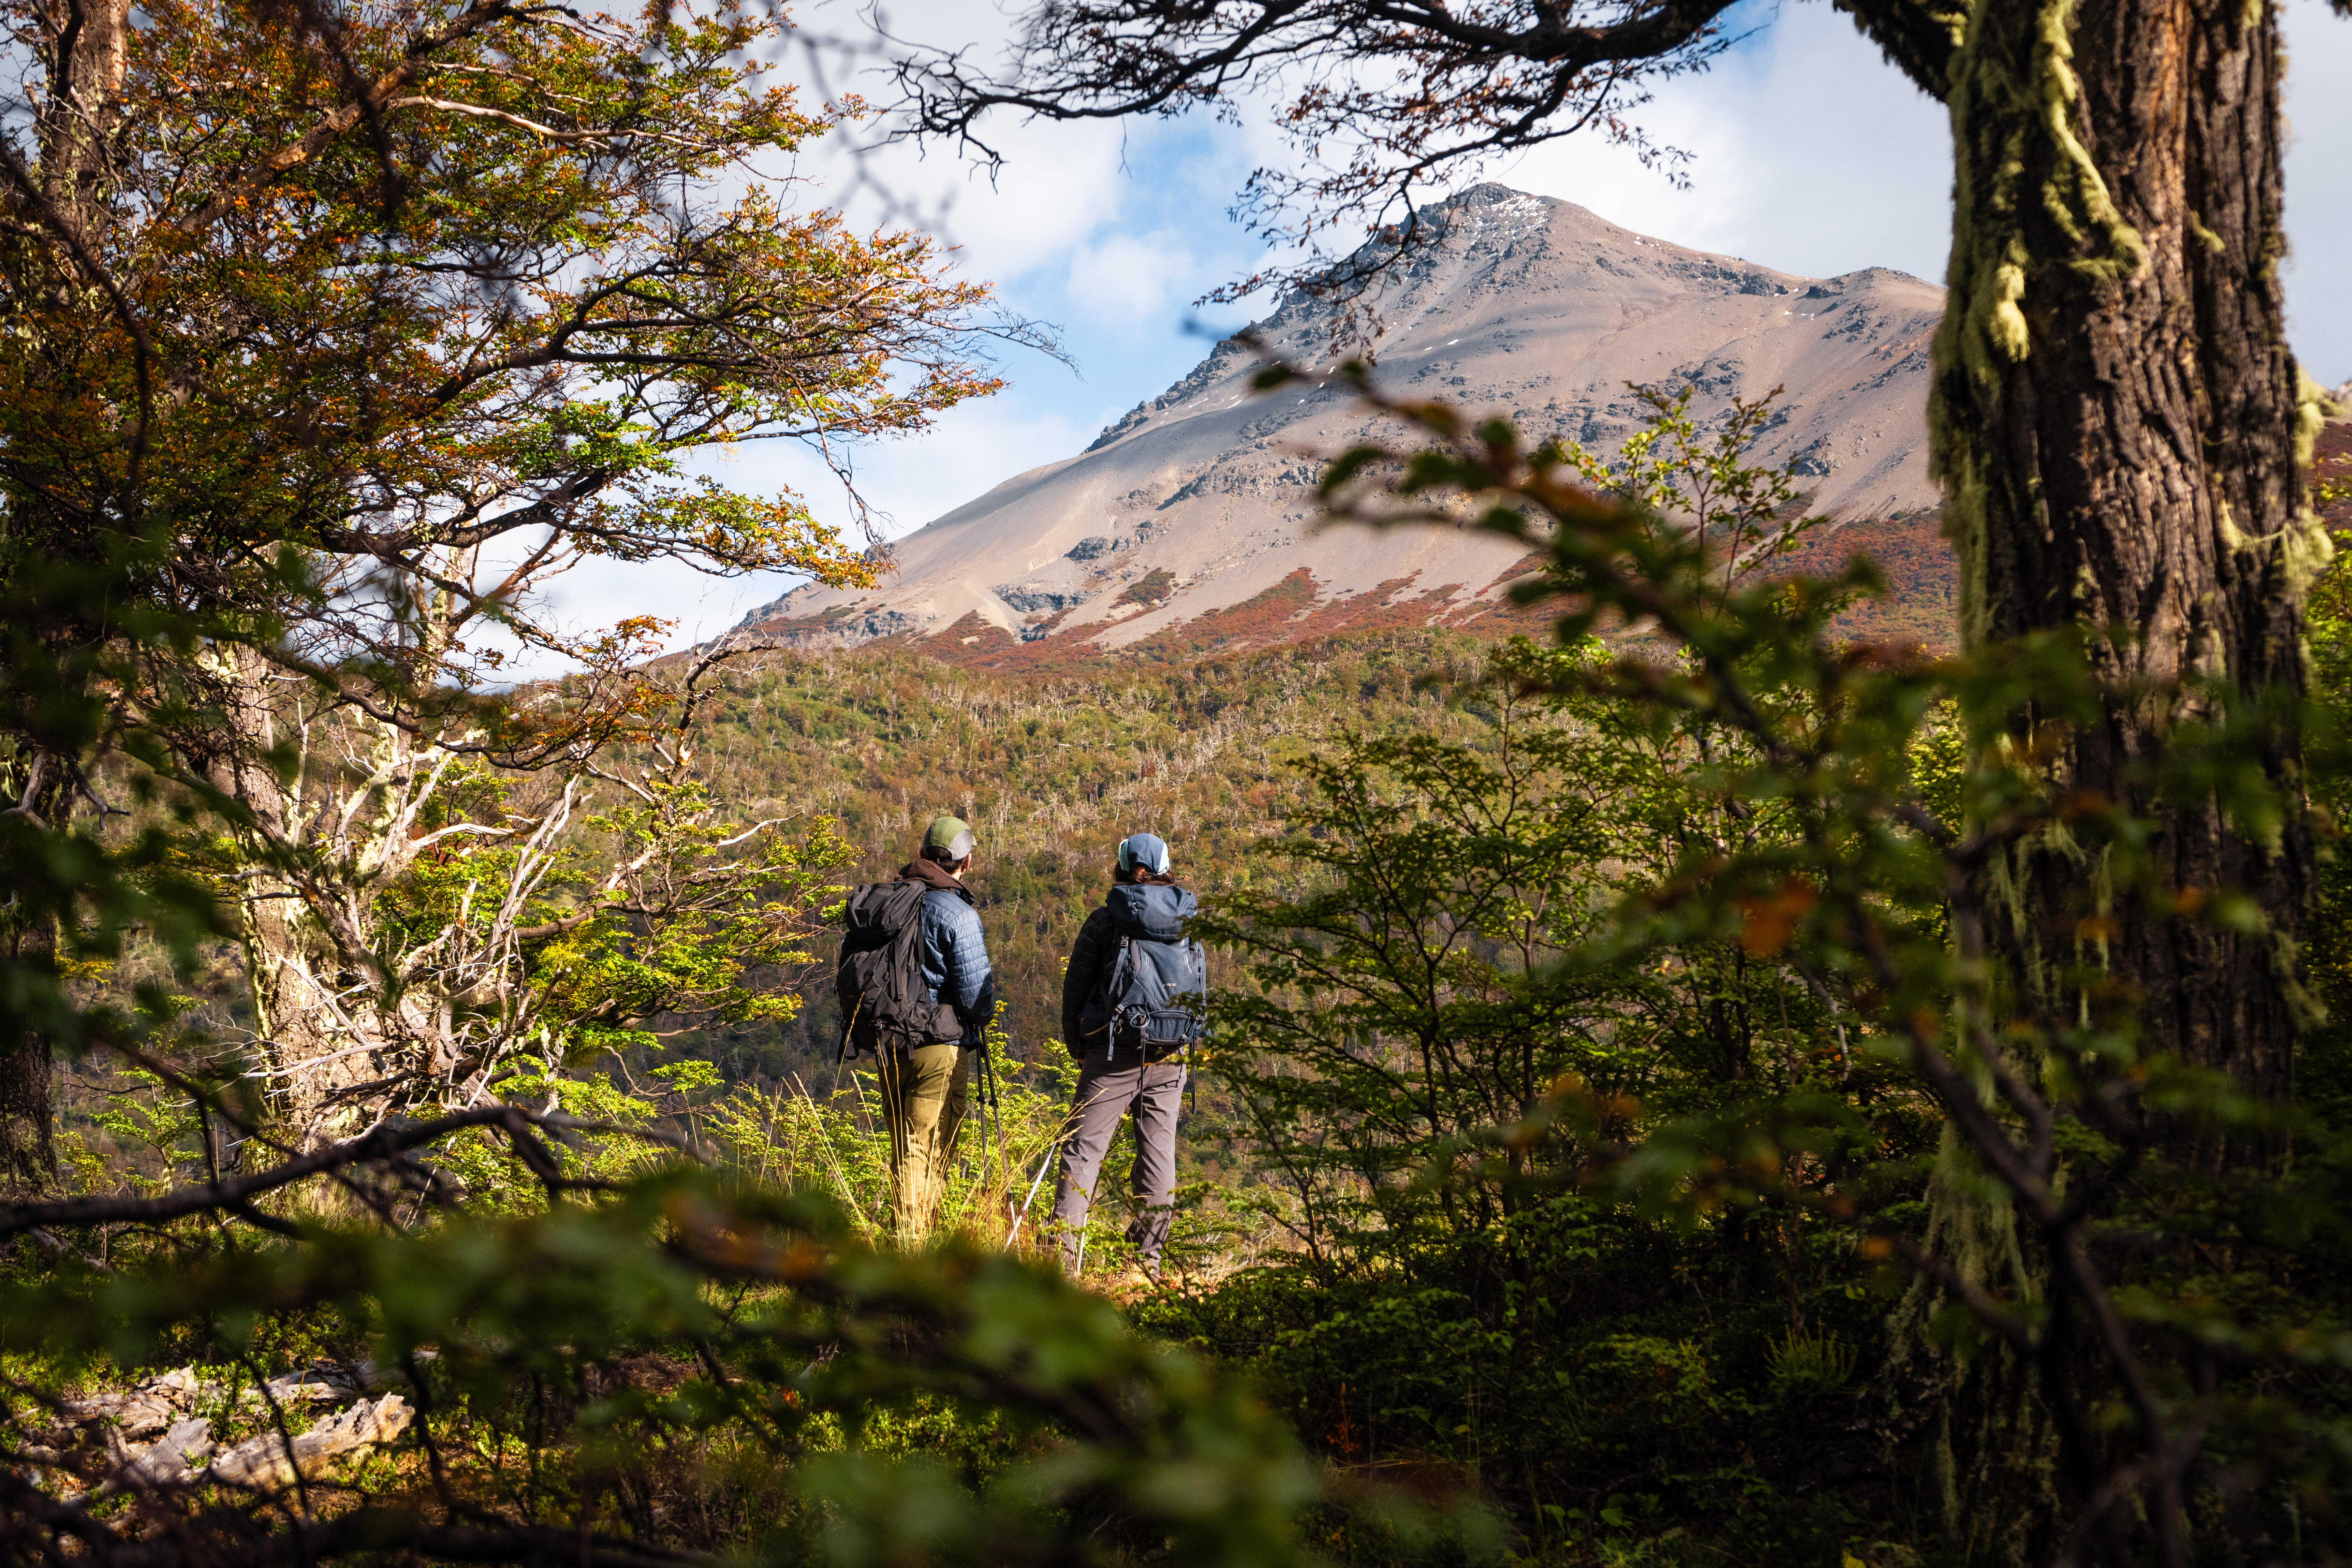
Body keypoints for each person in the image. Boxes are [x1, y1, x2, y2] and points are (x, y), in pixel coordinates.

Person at [1048, 832, 1206, 1278]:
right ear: (1166, 867)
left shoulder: (1105, 921)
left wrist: (1079, 1047)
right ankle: (1146, 1264)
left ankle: (1062, 1265)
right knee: (1159, 1158)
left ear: (1121, 868)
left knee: (1083, 1153)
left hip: (1113, 1052)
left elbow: (1075, 991)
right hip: (1171, 1053)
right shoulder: (1187, 918)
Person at [877, 814, 996, 1242]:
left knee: (904, 1144)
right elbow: (975, 996)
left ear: (925, 854)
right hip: (937, 1042)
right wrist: (985, 1010)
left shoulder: (892, 898)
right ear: (965, 861)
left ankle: (914, 1232)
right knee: (926, 1143)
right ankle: (911, 1242)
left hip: (887, 1040)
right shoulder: (956, 912)